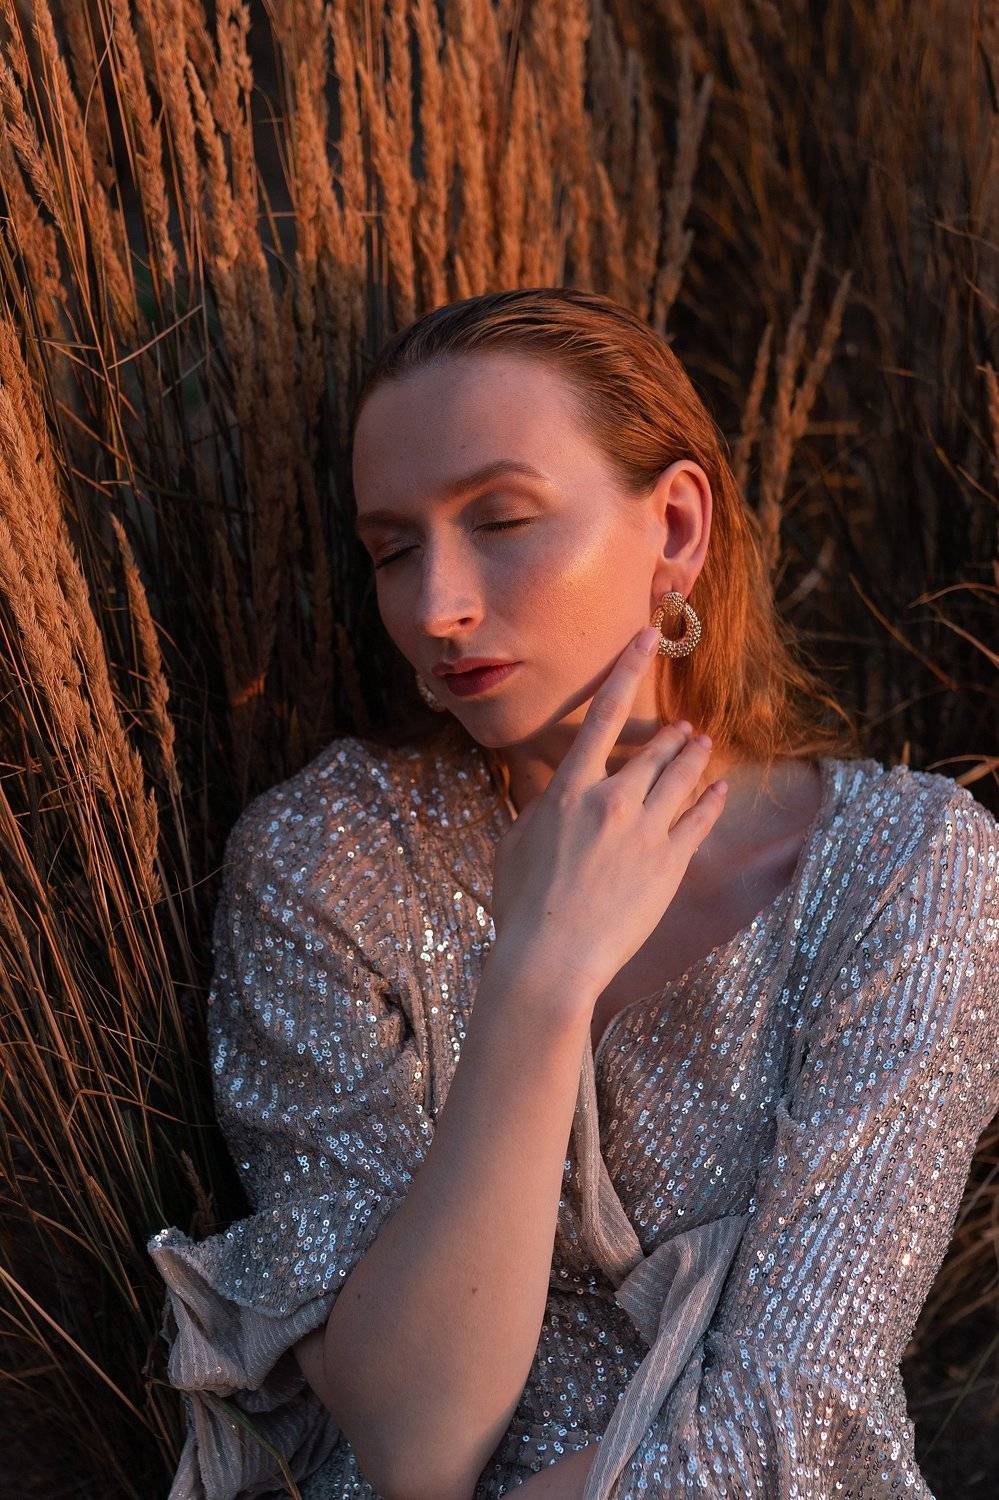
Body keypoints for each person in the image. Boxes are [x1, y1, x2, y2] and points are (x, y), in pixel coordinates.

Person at [147, 288, 999, 1500]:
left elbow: (793, 1416)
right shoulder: (328, 860)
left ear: (677, 527)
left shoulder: (902, 866)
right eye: (392, 551)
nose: (436, 606)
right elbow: (413, 1441)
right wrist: (537, 986)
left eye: (501, 520)